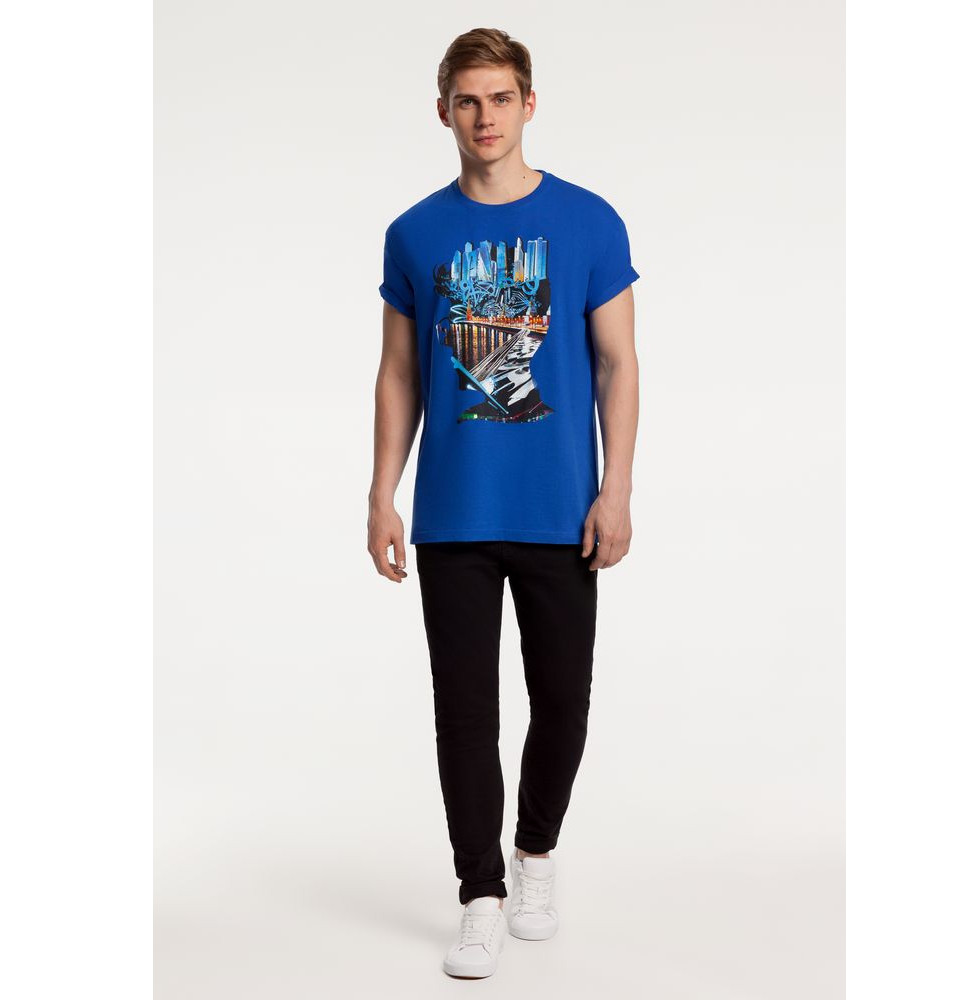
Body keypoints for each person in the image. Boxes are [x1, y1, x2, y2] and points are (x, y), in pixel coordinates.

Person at [367, 27, 640, 979]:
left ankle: (535, 855)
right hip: (454, 514)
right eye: (467, 101)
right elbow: (399, 373)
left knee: (563, 700)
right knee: (464, 713)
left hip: (562, 509)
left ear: (529, 103)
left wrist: (616, 488)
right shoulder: (414, 232)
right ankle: (478, 893)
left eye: (499, 98)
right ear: (443, 110)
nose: (484, 117)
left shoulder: (590, 221)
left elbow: (617, 363)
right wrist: (382, 493)